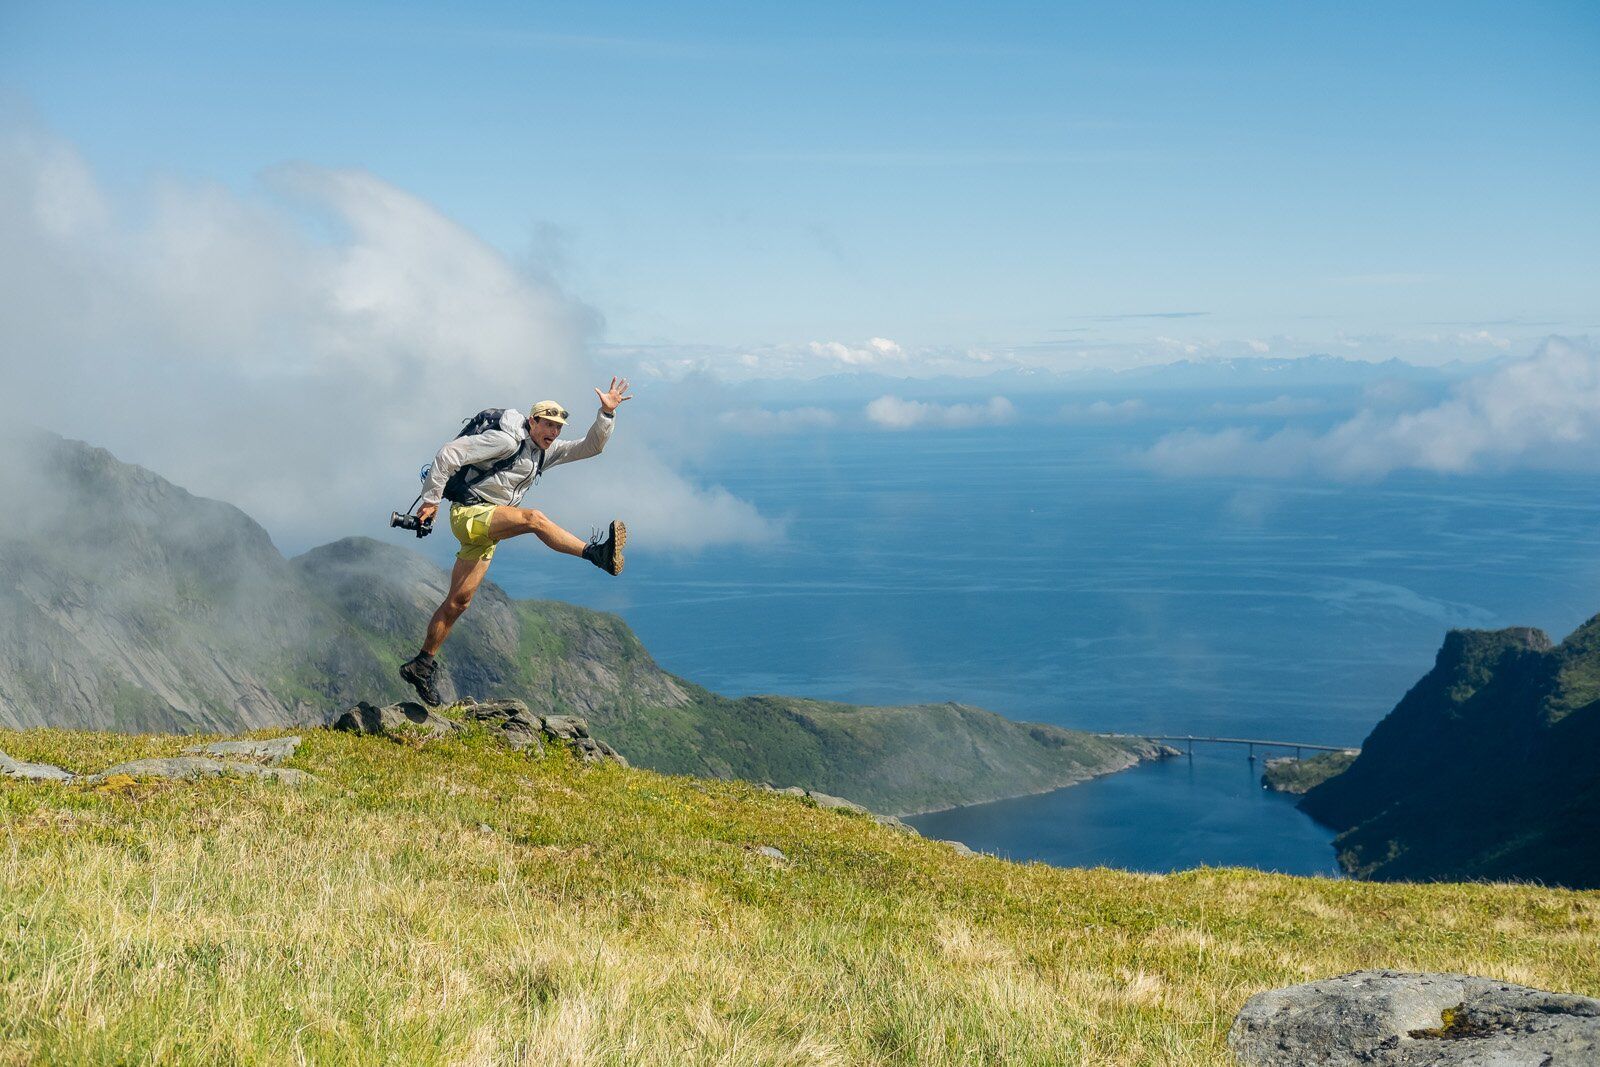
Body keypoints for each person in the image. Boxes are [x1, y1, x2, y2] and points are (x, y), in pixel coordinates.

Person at [398, 377, 632, 705]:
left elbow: (591, 447)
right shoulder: (507, 442)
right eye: (547, 424)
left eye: (558, 427)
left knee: (458, 603)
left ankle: (422, 664)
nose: (553, 432)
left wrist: (606, 415)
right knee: (533, 519)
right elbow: (450, 453)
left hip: (486, 528)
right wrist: (432, 500)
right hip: (469, 515)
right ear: (532, 421)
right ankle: (596, 554)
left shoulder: (543, 453)